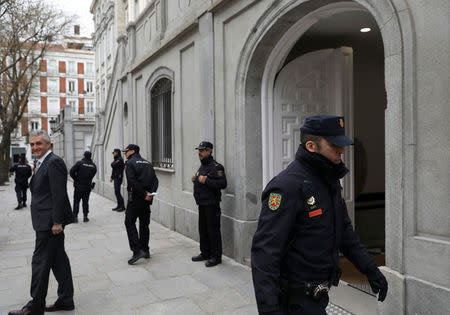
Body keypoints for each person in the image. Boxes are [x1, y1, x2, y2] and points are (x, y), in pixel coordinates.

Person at [251, 115, 388, 314]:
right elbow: (265, 255)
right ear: (311, 146)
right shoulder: (286, 187)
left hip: (318, 298)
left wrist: (371, 271)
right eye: (334, 145)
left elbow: (345, 234)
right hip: (294, 304)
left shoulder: (330, 181)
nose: (341, 150)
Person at [9, 130, 74, 315]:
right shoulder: (41, 162)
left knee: (40, 262)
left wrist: (57, 222)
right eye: (32, 144)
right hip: (44, 220)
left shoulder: (53, 162)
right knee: (59, 261)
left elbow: (59, 194)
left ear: (48, 144)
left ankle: (35, 306)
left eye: (39, 143)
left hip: (49, 224)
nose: (35, 147)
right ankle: (66, 300)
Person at [191, 141, 227, 267]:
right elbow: (200, 178)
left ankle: (216, 257)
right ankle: (205, 253)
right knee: (203, 229)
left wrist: (206, 180)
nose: (199, 153)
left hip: (212, 204)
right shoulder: (202, 166)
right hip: (202, 203)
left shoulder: (217, 167)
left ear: (209, 151)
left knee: (213, 231)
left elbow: (222, 184)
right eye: (199, 150)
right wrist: (195, 179)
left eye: (202, 150)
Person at [123, 144, 158, 265]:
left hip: (136, 198)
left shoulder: (130, 163)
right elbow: (155, 180)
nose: (125, 154)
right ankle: (145, 250)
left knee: (129, 222)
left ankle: (137, 251)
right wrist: (150, 194)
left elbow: (132, 181)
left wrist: (143, 194)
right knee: (144, 224)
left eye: (126, 151)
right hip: (146, 199)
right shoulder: (147, 163)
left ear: (132, 151)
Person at [69, 151, 97, 223]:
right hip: (87, 186)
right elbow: (93, 175)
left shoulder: (79, 163)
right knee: (85, 202)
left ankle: (75, 217)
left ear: (84, 156)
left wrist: (76, 179)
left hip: (78, 186)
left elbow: (71, 171)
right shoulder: (93, 166)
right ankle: (85, 217)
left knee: (76, 202)